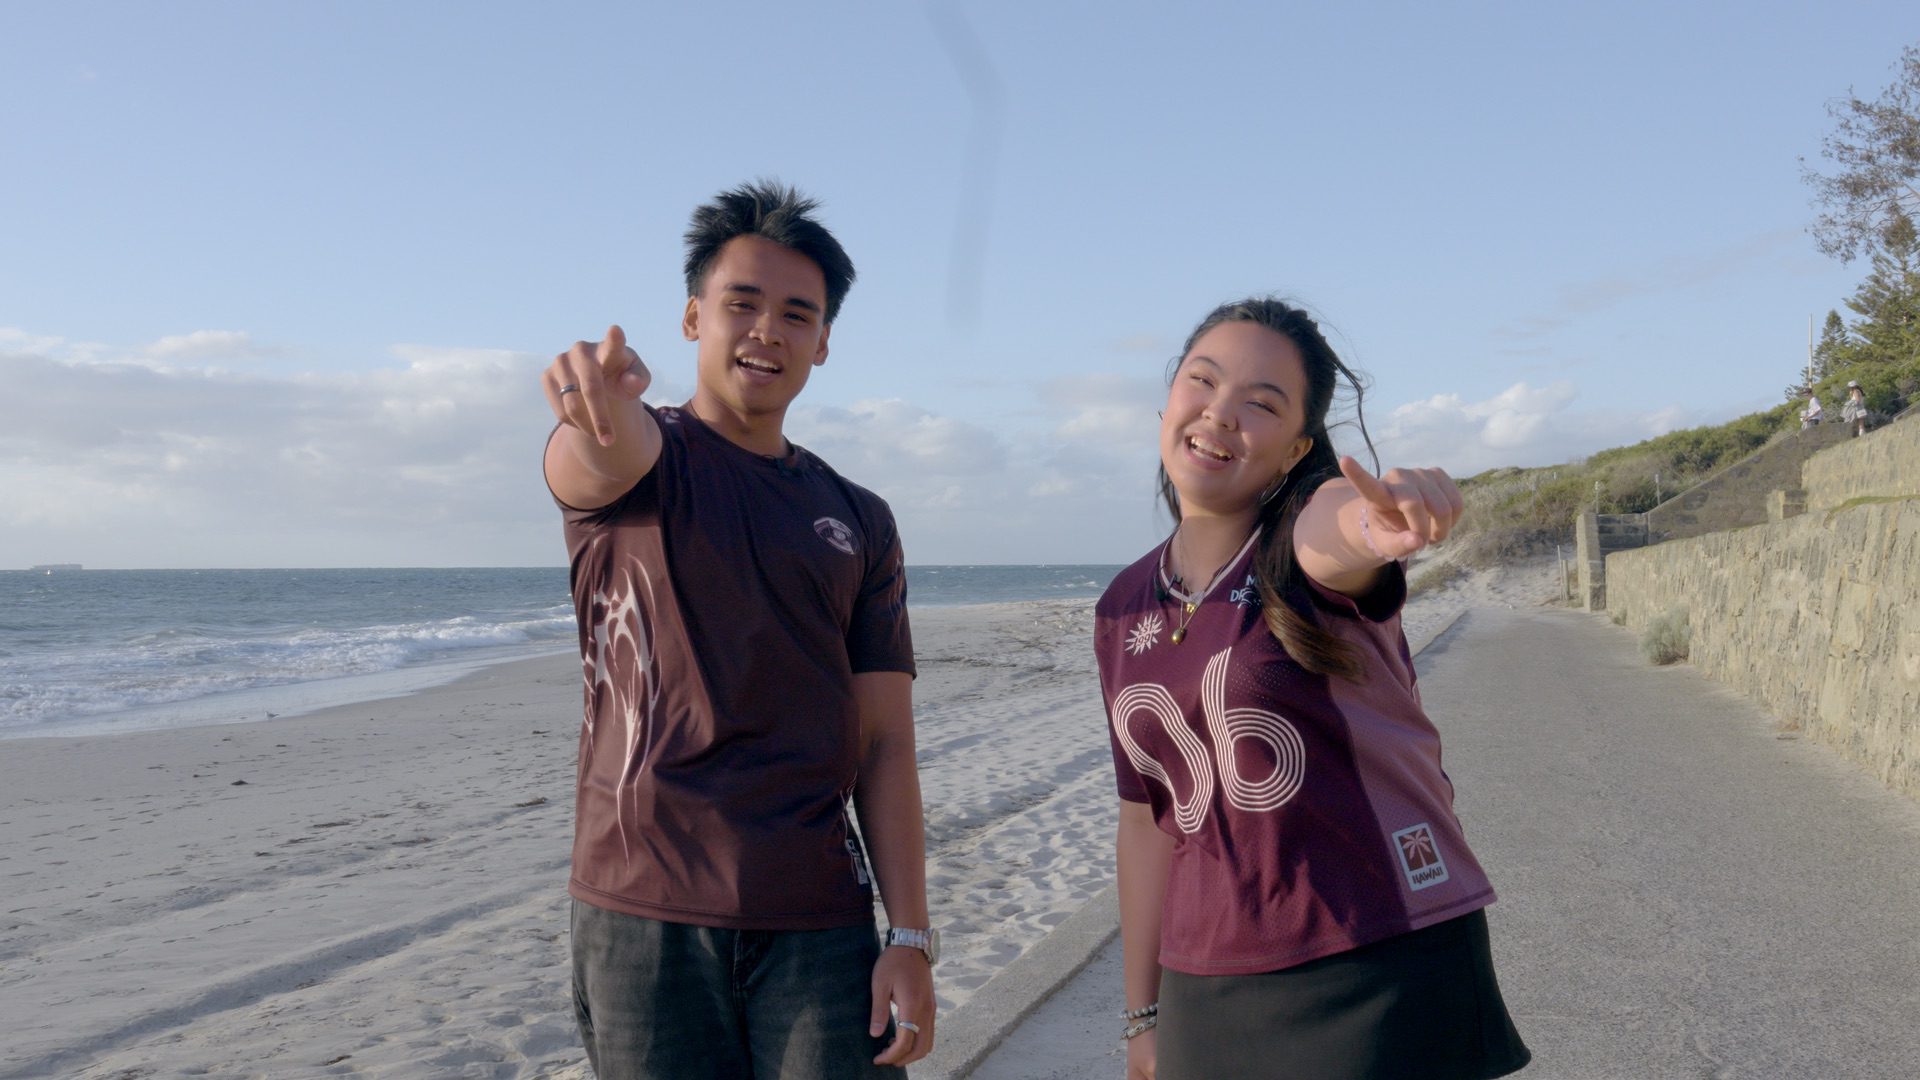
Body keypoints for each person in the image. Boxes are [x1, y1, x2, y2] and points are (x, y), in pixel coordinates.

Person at [541, 180, 936, 1078]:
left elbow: (885, 746)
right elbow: (594, 457)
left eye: (797, 314)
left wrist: (908, 934)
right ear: (692, 318)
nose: (768, 330)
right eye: (742, 304)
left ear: (824, 342)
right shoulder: (649, 458)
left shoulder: (857, 517)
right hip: (643, 912)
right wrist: (594, 410)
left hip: (821, 916)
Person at [1096, 298, 1530, 1079]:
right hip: (1205, 983)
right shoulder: (1123, 605)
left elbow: (1339, 533)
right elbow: (1146, 821)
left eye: (1261, 404)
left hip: (1376, 956)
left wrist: (1377, 526)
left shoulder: (1301, 540)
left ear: (1297, 446)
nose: (1221, 414)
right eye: (1204, 381)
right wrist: (1142, 1015)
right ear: (1168, 403)